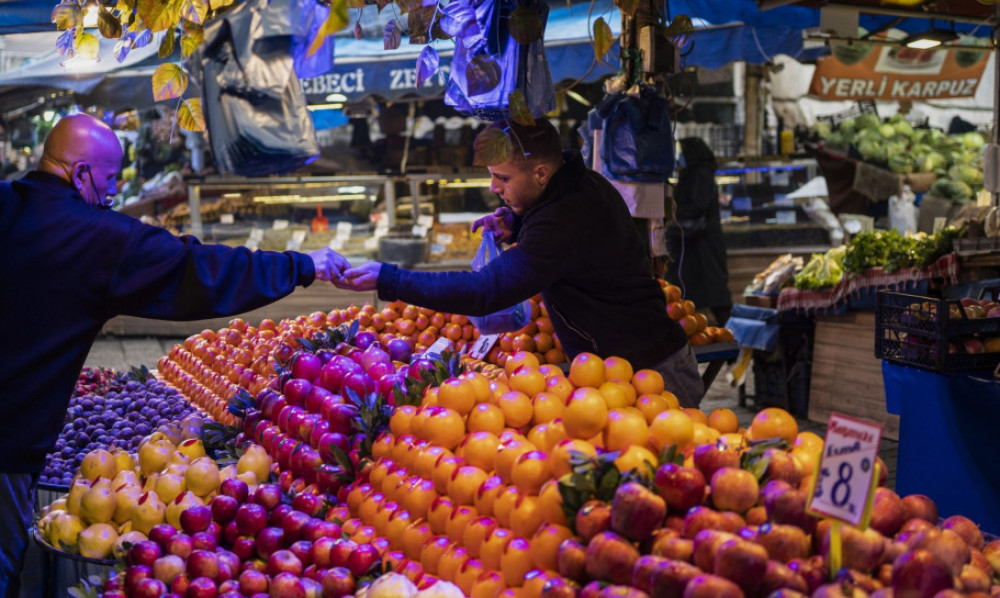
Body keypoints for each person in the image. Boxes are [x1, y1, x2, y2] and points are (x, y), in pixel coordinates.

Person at [0, 114, 349, 597]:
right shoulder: (98, 236)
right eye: (108, 180)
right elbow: (196, 269)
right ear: (81, 174)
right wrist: (302, 265)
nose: (111, 192)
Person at [340, 118, 703, 405]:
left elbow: (486, 291)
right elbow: (564, 238)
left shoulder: (564, 216)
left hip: (652, 373)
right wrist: (515, 224)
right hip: (622, 370)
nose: (493, 188)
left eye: (502, 178)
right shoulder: (578, 185)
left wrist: (389, 279)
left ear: (541, 173)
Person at [665, 137, 732, 326]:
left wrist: (673, 212)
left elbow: (697, 205)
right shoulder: (695, 173)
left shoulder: (700, 174)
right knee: (705, 290)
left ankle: (730, 335)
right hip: (696, 242)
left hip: (702, 244)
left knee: (713, 292)